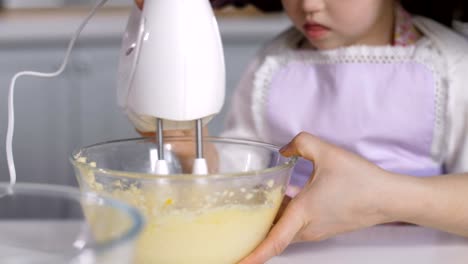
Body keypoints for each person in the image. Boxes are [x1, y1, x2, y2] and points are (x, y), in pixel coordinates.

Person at [133, 0, 468, 263]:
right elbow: (246, 170)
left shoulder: (449, 67)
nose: (308, 5)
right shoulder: (273, 65)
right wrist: (199, 152)